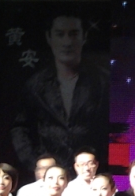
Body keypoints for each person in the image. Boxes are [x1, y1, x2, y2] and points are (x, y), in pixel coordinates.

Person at [11, 13, 109, 170]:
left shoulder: (102, 81)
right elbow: (20, 127)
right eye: (60, 34)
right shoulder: (36, 84)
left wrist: (99, 162)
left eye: (73, 34)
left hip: (91, 172)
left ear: (84, 36)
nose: (67, 42)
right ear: (49, 38)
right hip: (49, 173)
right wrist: (35, 163)